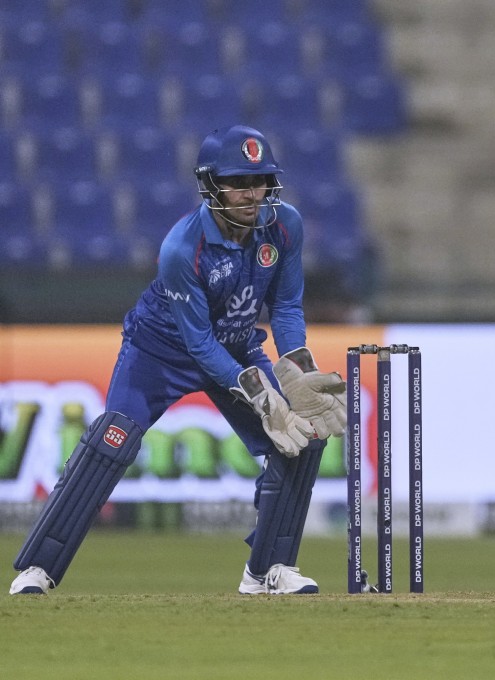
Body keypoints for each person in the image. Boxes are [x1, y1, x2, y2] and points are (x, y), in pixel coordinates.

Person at [9, 125, 347, 596]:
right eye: (239, 182)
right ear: (210, 185)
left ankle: (268, 571)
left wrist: (297, 365)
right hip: (161, 351)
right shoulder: (182, 248)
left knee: (303, 437)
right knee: (114, 439)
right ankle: (38, 569)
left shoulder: (285, 224)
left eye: (261, 181)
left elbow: (287, 307)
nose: (253, 194)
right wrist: (261, 395)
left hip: (237, 344)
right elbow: (198, 343)